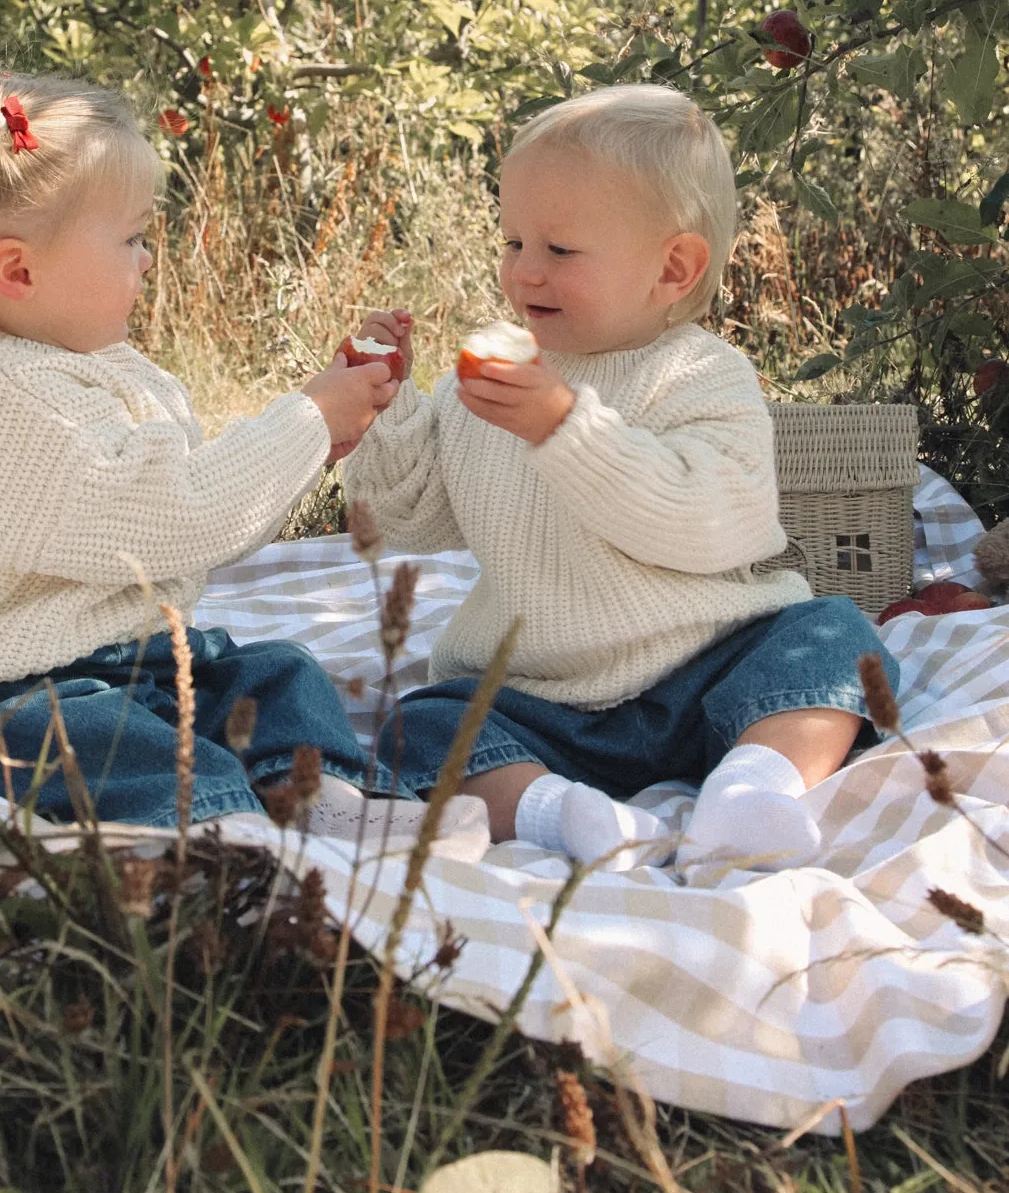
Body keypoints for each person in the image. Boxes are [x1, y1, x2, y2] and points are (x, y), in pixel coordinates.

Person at [0, 47, 488, 854]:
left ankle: (321, 795)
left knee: (274, 672)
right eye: (128, 239)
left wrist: (315, 439)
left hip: (123, 657)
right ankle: (217, 843)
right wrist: (303, 420)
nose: (147, 258)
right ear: (17, 271)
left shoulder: (100, 371)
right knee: (91, 734)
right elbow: (170, 516)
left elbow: (202, 520)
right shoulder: (0, 398)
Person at [340, 83, 898, 879]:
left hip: (710, 665)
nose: (523, 271)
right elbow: (412, 520)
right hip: (541, 696)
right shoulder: (498, 382)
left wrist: (565, 429)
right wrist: (387, 410)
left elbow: (707, 522)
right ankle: (561, 812)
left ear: (672, 268)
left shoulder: (700, 374)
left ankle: (752, 785)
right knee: (419, 727)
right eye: (512, 242)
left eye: (559, 251)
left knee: (833, 639)